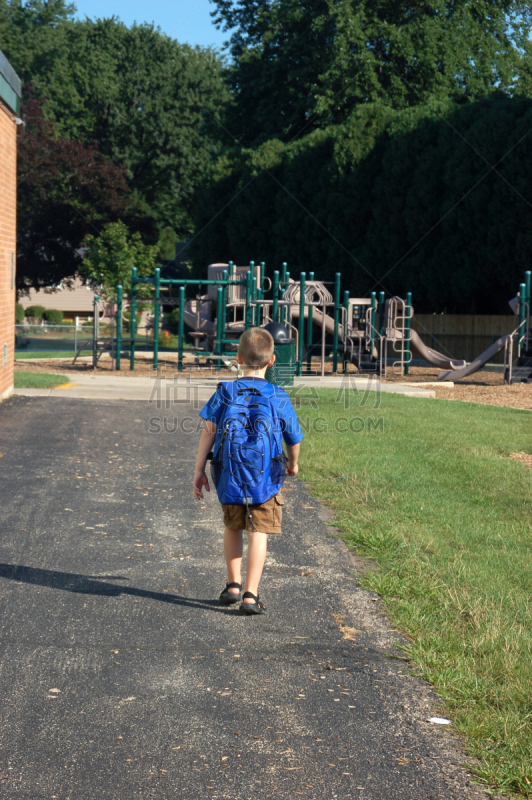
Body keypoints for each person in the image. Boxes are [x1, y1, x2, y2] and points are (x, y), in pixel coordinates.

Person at [193, 327, 303, 615]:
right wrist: (293, 464)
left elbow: (208, 433)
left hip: (229, 475)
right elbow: (294, 438)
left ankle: (232, 585)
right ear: (272, 360)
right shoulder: (278, 396)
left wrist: (199, 470)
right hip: (266, 479)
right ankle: (251, 595)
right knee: (258, 532)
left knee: (232, 526)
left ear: (238, 357)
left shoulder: (225, 391)